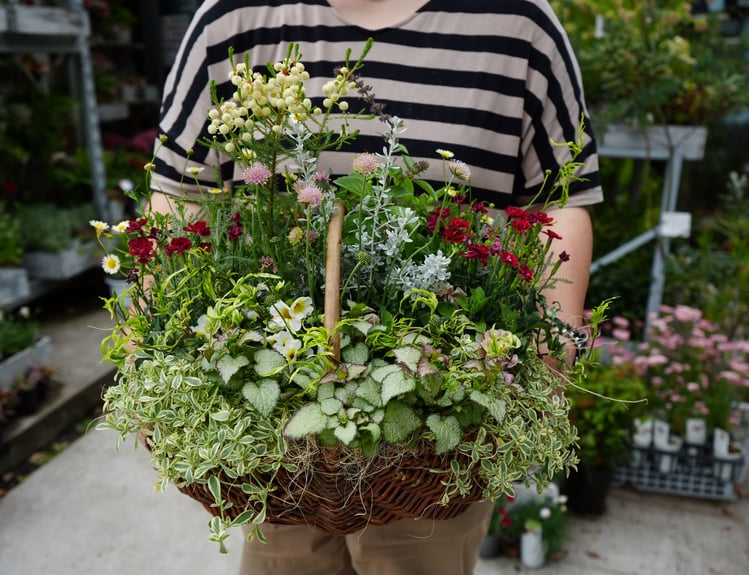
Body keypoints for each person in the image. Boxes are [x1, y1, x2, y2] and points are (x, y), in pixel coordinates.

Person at [148, 1, 603, 574]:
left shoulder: (520, 23)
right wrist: (162, 347)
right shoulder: (235, 17)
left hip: (445, 425)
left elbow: (563, 201)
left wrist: (547, 360)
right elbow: (179, 192)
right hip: (271, 426)